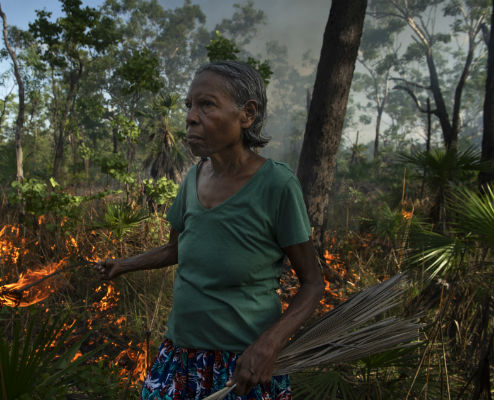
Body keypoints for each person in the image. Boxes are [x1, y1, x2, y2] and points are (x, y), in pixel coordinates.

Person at [95, 61, 324, 399]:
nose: (190, 116)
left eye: (206, 104)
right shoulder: (193, 178)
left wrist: (269, 344)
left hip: (242, 364)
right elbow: (176, 249)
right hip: (180, 354)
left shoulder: (276, 184)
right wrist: (124, 264)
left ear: (247, 114)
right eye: (189, 105)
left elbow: (313, 283)